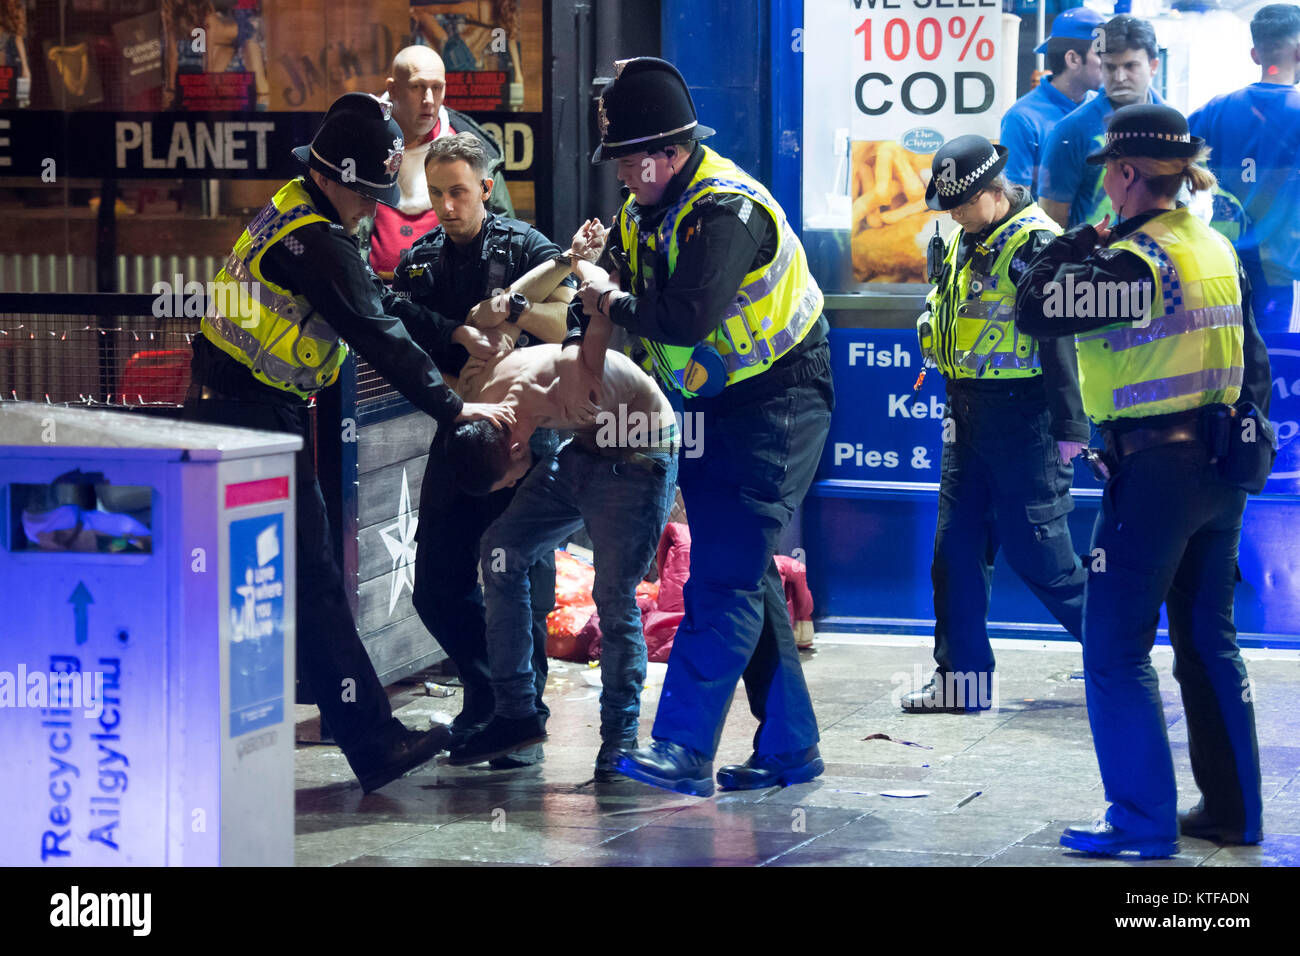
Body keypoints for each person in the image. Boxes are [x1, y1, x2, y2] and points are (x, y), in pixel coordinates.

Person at [182, 92, 511, 793]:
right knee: (312, 580)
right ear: (335, 177)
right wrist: (455, 411)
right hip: (246, 417)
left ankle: (359, 738)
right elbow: (376, 336)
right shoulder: (319, 238)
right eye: (367, 193)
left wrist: (448, 331)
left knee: (292, 581)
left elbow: (378, 302)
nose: (373, 206)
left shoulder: (307, 209)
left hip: (245, 411)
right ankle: (373, 741)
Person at [555, 57, 833, 798]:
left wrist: (607, 296)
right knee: (739, 571)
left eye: (628, 161)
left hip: (780, 405)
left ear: (668, 154)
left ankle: (680, 747)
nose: (618, 175)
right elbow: (609, 297)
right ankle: (790, 746)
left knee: (721, 579)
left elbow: (683, 317)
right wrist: (590, 286)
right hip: (715, 406)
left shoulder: (726, 212)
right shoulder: (646, 210)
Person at [1016, 104, 1272, 857]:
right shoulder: (1213, 246)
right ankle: (1234, 813)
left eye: (1108, 177)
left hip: (1155, 474)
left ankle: (1140, 821)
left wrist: (1083, 234)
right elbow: (1251, 363)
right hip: (1219, 466)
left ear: (1126, 174)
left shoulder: (1134, 264)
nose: (1106, 191)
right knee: (1208, 641)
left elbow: (1035, 305)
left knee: (1115, 648)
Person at [391, 132, 584, 768]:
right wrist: (458, 364)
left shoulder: (527, 248)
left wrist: (515, 312)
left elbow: (572, 327)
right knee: (437, 587)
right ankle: (489, 698)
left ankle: (520, 716)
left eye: (459, 192)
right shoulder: (419, 264)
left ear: (485, 187)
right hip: (460, 436)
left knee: (519, 576)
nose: (448, 206)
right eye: (438, 192)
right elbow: (406, 347)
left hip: (530, 439)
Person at [903, 135, 1089, 714]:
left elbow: (1060, 344)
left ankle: (1120, 660)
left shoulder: (1037, 247)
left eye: (962, 203)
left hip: (1025, 420)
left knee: (1046, 562)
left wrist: (1071, 429)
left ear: (993, 192)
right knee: (954, 553)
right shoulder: (968, 236)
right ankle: (962, 684)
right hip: (967, 418)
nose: (954, 214)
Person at [439, 338, 678, 780]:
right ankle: (516, 714)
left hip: (638, 459)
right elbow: (483, 321)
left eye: (508, 480)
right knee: (501, 553)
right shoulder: (485, 397)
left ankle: (620, 740)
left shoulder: (569, 393)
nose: (513, 487)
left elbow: (591, 322)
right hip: (583, 453)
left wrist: (572, 352)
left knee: (613, 595)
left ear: (513, 452)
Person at [1189, 3, 1300, 333]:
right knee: (1272, 363)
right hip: (1279, 267)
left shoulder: (1217, 109)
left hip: (1220, 262)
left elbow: (1173, 157)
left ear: (1255, 54)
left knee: (1227, 358)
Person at [364, 45, 514, 279]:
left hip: (449, 301)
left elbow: (506, 236)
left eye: (437, 88)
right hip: (372, 299)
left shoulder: (475, 153)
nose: (429, 100)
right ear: (392, 89)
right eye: (417, 87)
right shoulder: (358, 141)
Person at [1039, 14, 1165, 229]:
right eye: (1110, 67)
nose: (1119, 77)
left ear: (1153, 66)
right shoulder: (1071, 132)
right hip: (1094, 259)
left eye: (1130, 66)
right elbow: (1052, 222)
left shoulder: (1173, 125)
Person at [1001, 6, 1104, 199]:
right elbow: (1016, 202)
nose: (1108, 62)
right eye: (1100, 53)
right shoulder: (1022, 119)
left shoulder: (1102, 108)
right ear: (1073, 59)